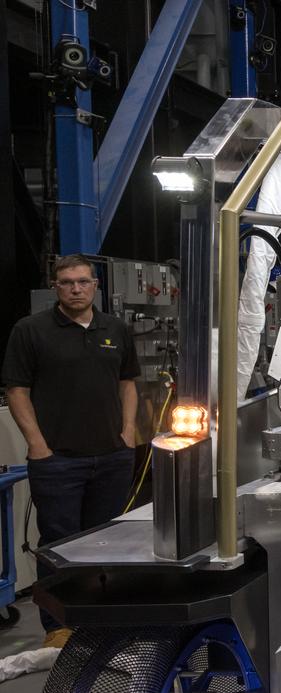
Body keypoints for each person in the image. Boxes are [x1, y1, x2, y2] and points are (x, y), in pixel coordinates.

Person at [2, 254, 139, 647]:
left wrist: (128, 432)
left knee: (108, 544)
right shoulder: (31, 331)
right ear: (55, 287)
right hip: (57, 460)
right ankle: (58, 625)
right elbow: (16, 390)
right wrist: (37, 445)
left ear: (95, 285)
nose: (76, 289)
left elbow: (128, 382)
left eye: (83, 281)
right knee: (59, 544)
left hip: (112, 457)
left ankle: (102, 621)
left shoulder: (114, 329)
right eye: (67, 282)